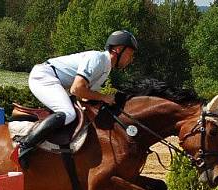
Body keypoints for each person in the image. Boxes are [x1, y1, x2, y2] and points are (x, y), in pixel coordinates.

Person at [18, 30, 138, 167]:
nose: (131, 59)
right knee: (68, 113)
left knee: (77, 114)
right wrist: (104, 97)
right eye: (130, 53)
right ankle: (26, 145)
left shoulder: (106, 69)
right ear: (118, 49)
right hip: (44, 76)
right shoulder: (98, 59)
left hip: (57, 82)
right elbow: (77, 89)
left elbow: (84, 95)